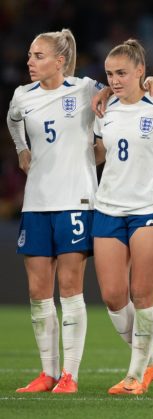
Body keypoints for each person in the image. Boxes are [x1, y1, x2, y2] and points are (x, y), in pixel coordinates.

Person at [6, 29, 103, 393]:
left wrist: (100, 146)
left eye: (39, 56)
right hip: (37, 202)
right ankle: (47, 373)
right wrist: (21, 148)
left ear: (60, 61)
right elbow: (13, 120)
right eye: (30, 55)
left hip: (75, 200)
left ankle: (70, 375)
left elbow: (120, 94)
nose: (30, 61)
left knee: (70, 288)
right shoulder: (22, 95)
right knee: (37, 292)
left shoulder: (85, 89)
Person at [92, 39, 153, 395]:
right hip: (108, 206)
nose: (114, 80)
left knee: (143, 293)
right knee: (113, 296)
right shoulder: (104, 108)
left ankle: (135, 375)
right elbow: (100, 153)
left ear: (141, 71)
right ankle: (152, 360)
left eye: (122, 73)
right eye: (110, 74)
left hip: (151, 207)